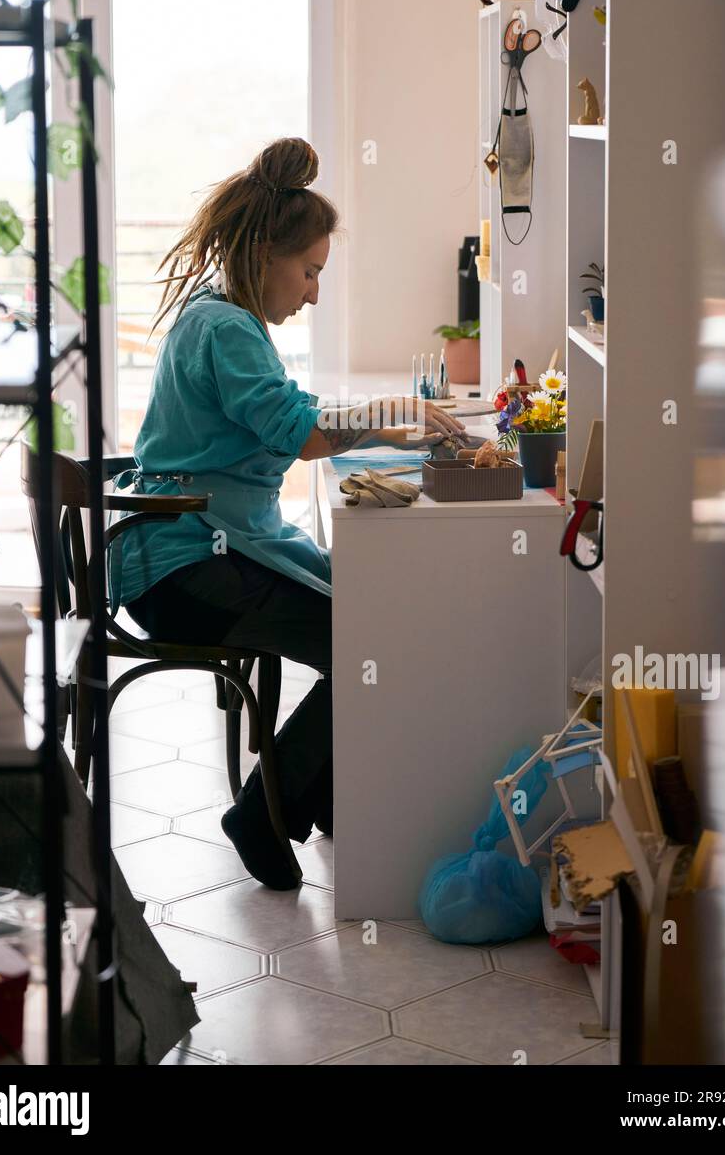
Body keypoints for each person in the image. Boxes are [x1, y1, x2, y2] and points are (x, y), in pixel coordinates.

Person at [109, 137, 466, 890]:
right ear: (265, 255)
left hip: (193, 554)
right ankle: (264, 815)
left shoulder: (221, 318)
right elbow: (299, 433)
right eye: (308, 272)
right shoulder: (227, 329)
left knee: (369, 627)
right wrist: (387, 414)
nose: (311, 292)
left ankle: (318, 793)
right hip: (183, 570)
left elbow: (288, 415)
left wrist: (390, 420)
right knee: (375, 642)